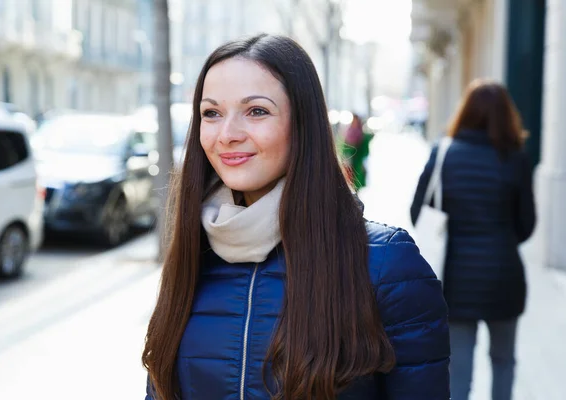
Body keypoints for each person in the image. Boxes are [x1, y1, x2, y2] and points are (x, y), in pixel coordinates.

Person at [143, 34, 450, 400]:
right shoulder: (192, 254)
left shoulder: (386, 265)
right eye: (211, 113)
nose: (226, 135)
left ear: (303, 123)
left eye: (256, 111)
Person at [410, 79, 536, 400]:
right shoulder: (516, 159)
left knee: (459, 370)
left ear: (465, 111)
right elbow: (527, 224)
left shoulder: (444, 153)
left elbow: (417, 212)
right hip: (505, 278)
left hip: (456, 280)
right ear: (507, 115)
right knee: (504, 360)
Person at [339, 113, 373, 189]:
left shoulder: (362, 135)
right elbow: (344, 148)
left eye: (356, 121)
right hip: (349, 163)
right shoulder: (348, 133)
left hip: (358, 163)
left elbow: (365, 151)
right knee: (348, 182)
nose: (354, 123)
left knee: (357, 183)